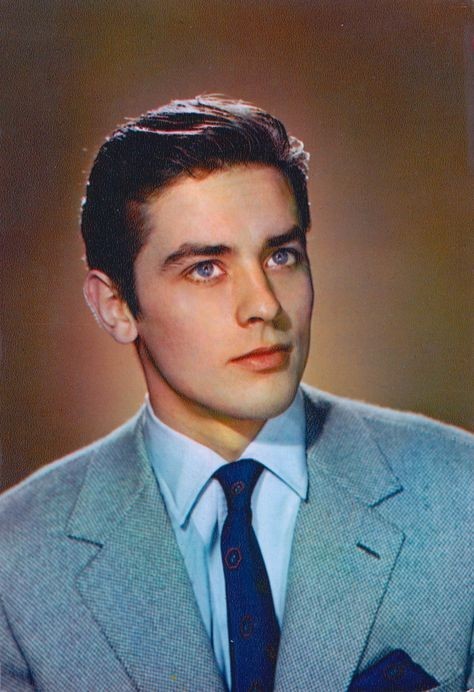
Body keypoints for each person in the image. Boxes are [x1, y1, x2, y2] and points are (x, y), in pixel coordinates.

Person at [0, 96, 472, 692]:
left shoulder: (460, 496)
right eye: (206, 268)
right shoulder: (16, 563)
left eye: (281, 256)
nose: (265, 306)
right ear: (115, 306)